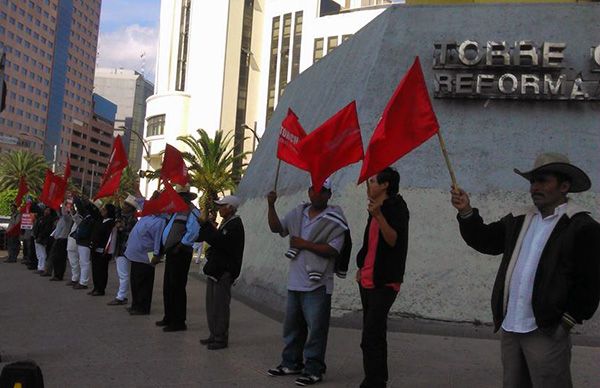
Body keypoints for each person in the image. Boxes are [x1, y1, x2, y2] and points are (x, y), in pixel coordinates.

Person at [450, 152, 600, 388]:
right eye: (533, 181)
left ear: (564, 186)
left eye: (543, 181)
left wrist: (566, 323)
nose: (535, 187)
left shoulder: (582, 227)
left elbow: (590, 283)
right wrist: (466, 211)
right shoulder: (520, 219)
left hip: (547, 329)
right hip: (511, 326)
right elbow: (486, 240)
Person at [266, 179, 351, 386]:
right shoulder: (297, 214)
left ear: (329, 194)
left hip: (318, 283)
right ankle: (291, 362)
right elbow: (277, 228)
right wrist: (271, 205)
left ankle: (314, 369)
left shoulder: (335, 219)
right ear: (309, 191)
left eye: (322, 191)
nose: (317, 194)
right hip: (295, 281)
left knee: (316, 329)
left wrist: (304, 244)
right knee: (292, 327)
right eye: (314, 190)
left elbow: (333, 249)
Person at [355, 168, 409, 388]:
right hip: (368, 279)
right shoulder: (374, 209)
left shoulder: (397, 207)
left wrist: (379, 215)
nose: (370, 186)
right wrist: (361, 266)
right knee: (375, 333)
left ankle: (374, 382)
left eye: (374, 181)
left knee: (371, 336)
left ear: (386, 185)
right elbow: (371, 243)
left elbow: (393, 239)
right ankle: (377, 379)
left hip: (385, 282)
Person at [198, 195, 245, 350]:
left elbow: (220, 241)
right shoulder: (227, 223)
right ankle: (214, 334)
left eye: (222, 206)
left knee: (220, 306)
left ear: (230, 208)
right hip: (216, 270)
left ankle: (220, 337)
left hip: (223, 271)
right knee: (211, 305)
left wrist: (206, 226)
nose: (219, 209)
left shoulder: (235, 225)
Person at [155, 185, 200, 332]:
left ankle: (179, 321)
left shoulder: (192, 211)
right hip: (172, 252)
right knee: (168, 286)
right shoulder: (175, 212)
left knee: (177, 286)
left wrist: (180, 245)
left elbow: (193, 231)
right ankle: (169, 317)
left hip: (180, 253)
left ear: (185, 197)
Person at [124, 208, 167, 315]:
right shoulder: (147, 216)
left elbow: (158, 239)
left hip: (146, 254)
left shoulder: (160, 221)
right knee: (135, 281)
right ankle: (135, 304)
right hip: (135, 254)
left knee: (144, 282)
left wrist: (156, 255)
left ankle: (142, 307)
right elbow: (141, 201)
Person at [107, 196, 138, 306]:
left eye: (126, 205)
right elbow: (117, 213)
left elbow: (128, 232)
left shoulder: (132, 220)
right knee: (123, 274)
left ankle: (121, 297)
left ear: (131, 208)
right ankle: (122, 295)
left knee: (123, 274)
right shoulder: (125, 217)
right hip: (120, 248)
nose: (124, 207)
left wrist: (121, 228)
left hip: (124, 249)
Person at [88, 203, 116, 296]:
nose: (102, 211)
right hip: (95, 248)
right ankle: (96, 287)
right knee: (95, 269)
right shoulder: (100, 220)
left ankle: (101, 289)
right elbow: (93, 212)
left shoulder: (111, 222)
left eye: (105, 210)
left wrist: (106, 249)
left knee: (102, 270)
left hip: (103, 250)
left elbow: (109, 238)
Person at [72, 199, 99, 290]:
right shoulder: (87, 216)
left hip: (86, 241)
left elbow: (85, 208)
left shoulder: (94, 216)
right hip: (81, 241)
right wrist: (77, 199)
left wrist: (81, 201)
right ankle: (81, 280)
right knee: (82, 262)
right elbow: (81, 209)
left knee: (84, 262)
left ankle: (83, 282)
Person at [46, 203, 73, 281]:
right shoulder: (61, 218)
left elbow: (64, 213)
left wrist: (63, 203)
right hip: (57, 239)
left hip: (63, 240)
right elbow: (58, 211)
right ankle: (56, 274)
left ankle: (59, 275)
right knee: (55, 258)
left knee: (60, 259)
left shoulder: (68, 218)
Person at [33, 206, 57, 275]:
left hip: (43, 238)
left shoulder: (49, 219)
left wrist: (40, 236)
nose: (46, 211)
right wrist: (36, 235)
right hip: (37, 237)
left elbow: (46, 230)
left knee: (42, 254)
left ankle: (42, 268)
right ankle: (39, 267)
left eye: (48, 210)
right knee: (39, 254)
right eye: (46, 210)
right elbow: (36, 227)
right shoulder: (41, 218)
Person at [66, 204, 83, 286]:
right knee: (73, 262)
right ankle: (75, 278)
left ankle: (77, 279)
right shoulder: (76, 219)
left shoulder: (81, 218)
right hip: (72, 243)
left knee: (77, 262)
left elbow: (77, 219)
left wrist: (74, 213)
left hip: (76, 243)